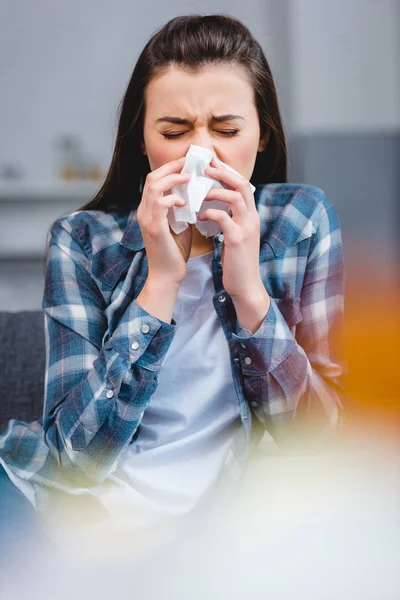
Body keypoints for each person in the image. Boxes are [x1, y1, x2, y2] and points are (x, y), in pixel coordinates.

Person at [0, 14, 346, 551]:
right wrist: (160, 282)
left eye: (227, 131)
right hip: (96, 508)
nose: (199, 155)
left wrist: (250, 292)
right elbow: (75, 462)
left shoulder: (301, 220)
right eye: (173, 132)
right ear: (142, 141)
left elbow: (327, 443)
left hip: (240, 513)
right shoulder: (81, 242)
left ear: (261, 137)